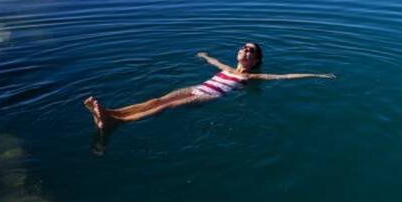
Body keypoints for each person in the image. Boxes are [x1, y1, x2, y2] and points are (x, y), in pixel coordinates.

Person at [84, 42, 334, 131]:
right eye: (243, 47)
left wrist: (316, 74)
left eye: (251, 50)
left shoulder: (250, 78)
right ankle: (112, 113)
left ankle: (117, 122)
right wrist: (204, 56)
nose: (245, 50)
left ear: (256, 60)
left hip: (210, 95)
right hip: (196, 87)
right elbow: (213, 60)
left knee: (165, 107)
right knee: (156, 101)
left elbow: (285, 76)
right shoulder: (226, 68)